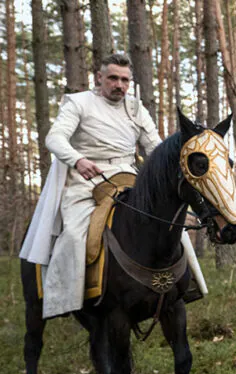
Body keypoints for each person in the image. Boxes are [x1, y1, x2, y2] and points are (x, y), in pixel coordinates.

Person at [20, 53, 206, 319]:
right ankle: (70, 297)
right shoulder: (79, 103)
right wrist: (78, 160)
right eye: (113, 78)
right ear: (100, 77)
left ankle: (184, 285)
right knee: (73, 234)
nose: (119, 85)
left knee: (169, 224)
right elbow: (55, 138)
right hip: (87, 181)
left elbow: (155, 146)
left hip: (130, 178)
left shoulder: (135, 108)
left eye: (125, 80)